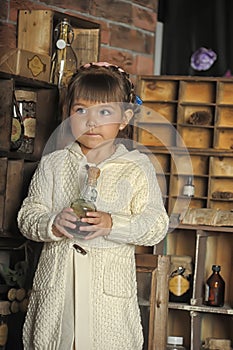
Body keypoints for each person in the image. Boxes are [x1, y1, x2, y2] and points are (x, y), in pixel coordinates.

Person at [17, 62, 169, 350]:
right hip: (56, 298)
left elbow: (156, 225)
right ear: (68, 114)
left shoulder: (136, 167)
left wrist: (114, 224)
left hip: (107, 305)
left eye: (104, 112)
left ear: (124, 118)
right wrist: (52, 223)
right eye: (81, 110)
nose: (92, 121)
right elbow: (27, 216)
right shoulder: (54, 163)